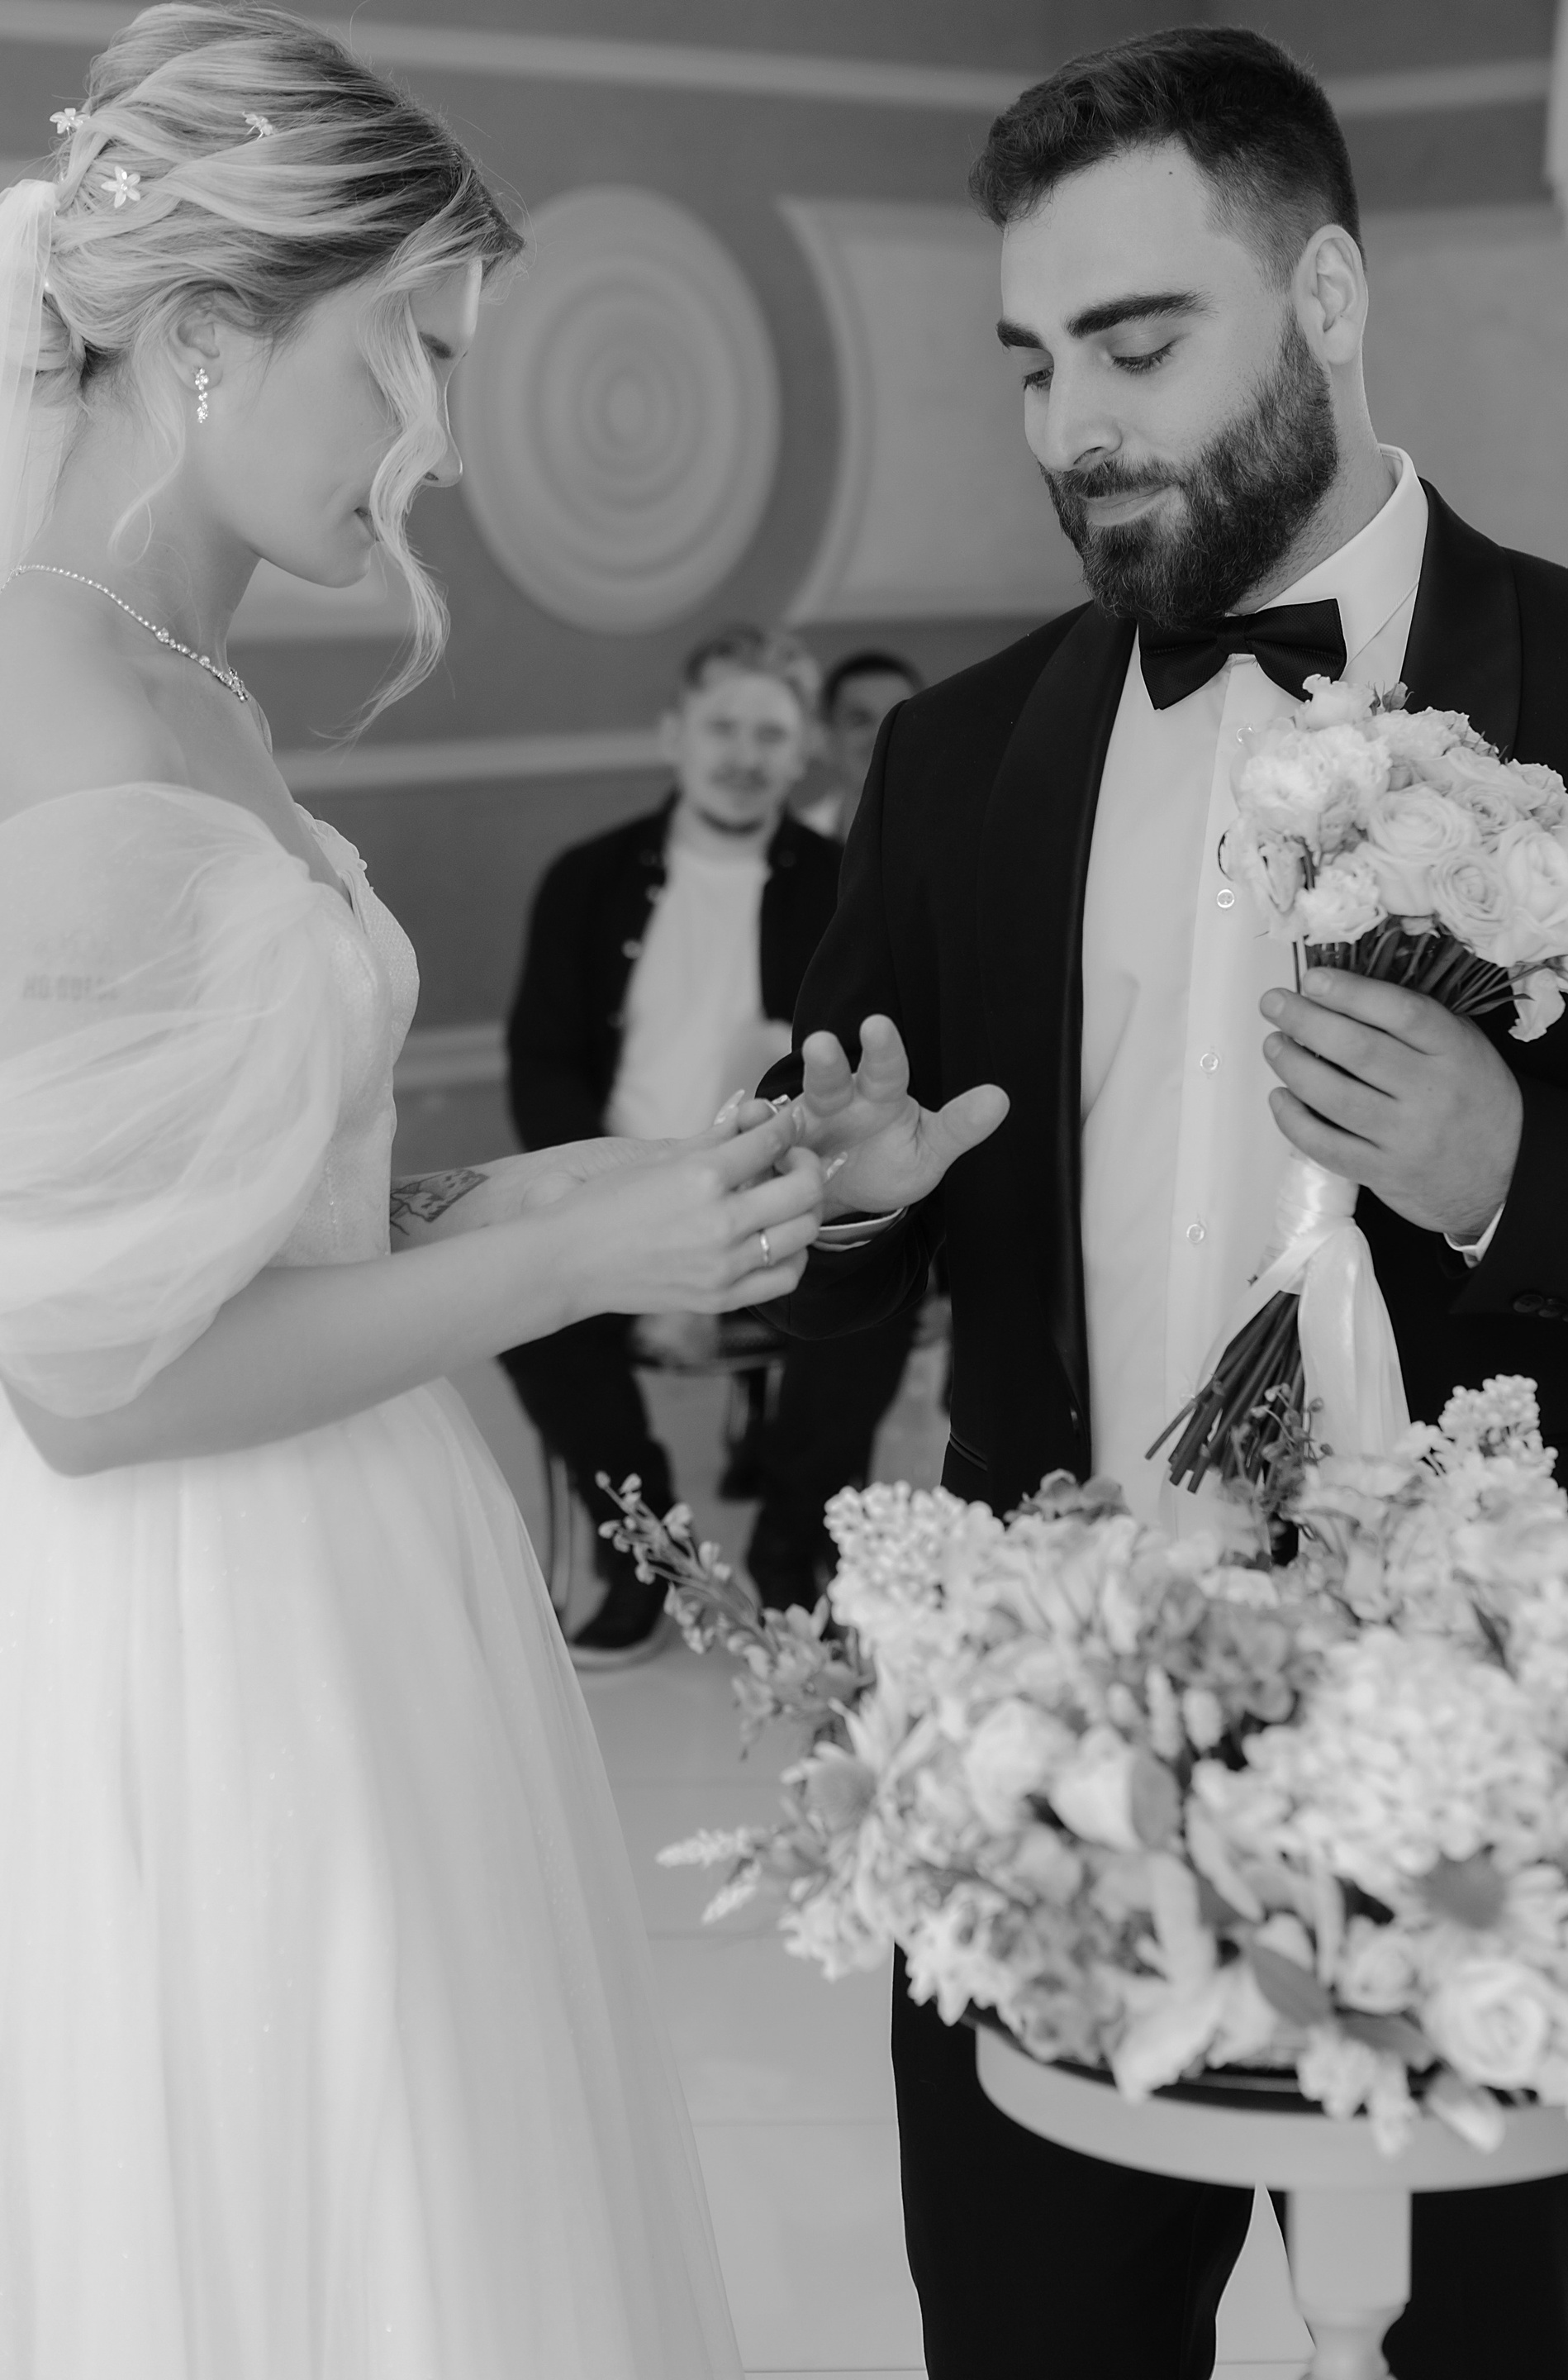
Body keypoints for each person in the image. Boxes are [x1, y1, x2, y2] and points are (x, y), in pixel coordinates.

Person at [0, 8, 827, 2372]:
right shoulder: (53, 700)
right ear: (204, 329)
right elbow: (92, 1385)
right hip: (201, 1624)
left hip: (346, 1564)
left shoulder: (184, 682)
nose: (440, 440)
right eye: (412, 353)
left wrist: (659, 1173)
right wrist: (572, 1260)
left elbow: (282, 1233)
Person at [759, 26, 1568, 2380]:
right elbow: (856, 1221)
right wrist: (852, 1208)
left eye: (1135, 345)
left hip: (1498, 1811)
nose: (1072, 429)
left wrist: (1518, 1179)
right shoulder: (951, 759)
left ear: (1324, 294)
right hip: (1061, 1781)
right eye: (1031, 363)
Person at [501, 626, 909, 1657]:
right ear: (674, 735)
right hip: (611, 1184)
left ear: (803, 748)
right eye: (723, 727)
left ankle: (794, 1544)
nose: (743, 755)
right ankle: (648, 1552)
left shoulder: (846, 888)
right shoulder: (586, 880)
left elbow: (848, 1086)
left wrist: (752, 1203)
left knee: (875, 1287)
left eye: (770, 734)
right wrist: (615, 1208)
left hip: (784, 1191)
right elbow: (543, 1063)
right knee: (516, 1299)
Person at [797, 648, 923, 842]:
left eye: (898, 719)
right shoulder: (792, 844)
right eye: (861, 720)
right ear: (828, 740)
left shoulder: (963, 837)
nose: (881, 736)